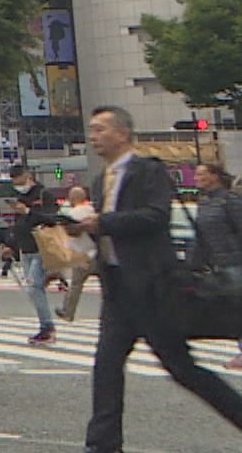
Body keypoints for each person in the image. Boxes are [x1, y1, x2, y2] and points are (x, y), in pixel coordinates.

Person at [81, 105, 242, 451]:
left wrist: (103, 222)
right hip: (117, 290)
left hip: (153, 288)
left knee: (183, 369)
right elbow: (108, 233)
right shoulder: (100, 180)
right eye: (91, 130)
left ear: (122, 133)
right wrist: (82, 229)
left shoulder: (148, 171)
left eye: (100, 129)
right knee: (106, 367)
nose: (93, 137)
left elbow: (155, 217)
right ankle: (102, 444)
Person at [187, 164, 242, 371]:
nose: (197, 177)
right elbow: (199, 238)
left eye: (201, 173)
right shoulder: (204, 203)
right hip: (217, 265)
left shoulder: (230, 200)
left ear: (215, 176)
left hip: (236, 262)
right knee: (232, 309)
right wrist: (192, 265)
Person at [5, 162, 62, 344]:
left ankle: (47, 328)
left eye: (18, 178)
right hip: (26, 248)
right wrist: (11, 246)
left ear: (27, 175)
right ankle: (45, 326)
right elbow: (18, 224)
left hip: (42, 247)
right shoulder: (19, 197)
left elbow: (52, 218)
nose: (17, 184)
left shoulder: (43, 194)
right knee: (33, 289)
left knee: (34, 286)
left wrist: (29, 211)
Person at [57, 185, 99, 323]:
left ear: (72, 198)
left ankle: (68, 312)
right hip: (98, 253)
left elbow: (69, 236)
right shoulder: (93, 211)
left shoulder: (72, 214)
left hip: (82, 255)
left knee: (76, 285)